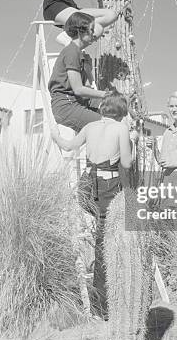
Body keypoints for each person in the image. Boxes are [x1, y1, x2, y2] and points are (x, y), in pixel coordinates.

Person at [50, 91, 132, 319]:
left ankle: (100, 302)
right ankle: (103, 307)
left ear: (103, 108)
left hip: (87, 187)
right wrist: (131, 142)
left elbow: (67, 146)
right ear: (122, 111)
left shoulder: (90, 127)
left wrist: (55, 135)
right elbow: (126, 162)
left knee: (102, 236)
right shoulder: (121, 128)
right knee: (106, 244)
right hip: (107, 186)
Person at [48, 11, 111, 132]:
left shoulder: (78, 53)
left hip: (74, 102)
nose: (93, 34)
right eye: (91, 30)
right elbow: (78, 89)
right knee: (107, 127)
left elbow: (86, 87)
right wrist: (105, 95)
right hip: (66, 106)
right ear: (80, 31)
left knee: (111, 119)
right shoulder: (71, 52)